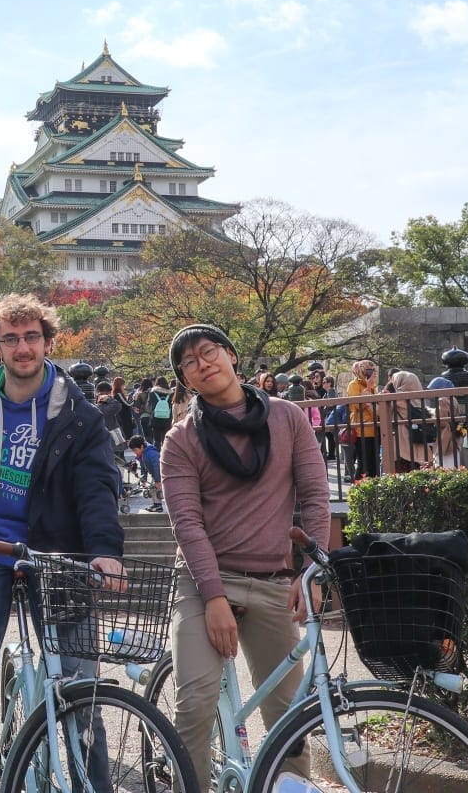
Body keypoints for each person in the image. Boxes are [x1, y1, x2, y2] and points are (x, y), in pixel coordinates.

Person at [0, 293, 124, 793]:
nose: (22, 347)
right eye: (11, 338)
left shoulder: (79, 415)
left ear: (48, 341)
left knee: (81, 691)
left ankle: (93, 786)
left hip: (57, 555)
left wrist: (104, 549)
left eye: (31, 336)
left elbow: (98, 488)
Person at [161, 324, 331, 782]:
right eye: (190, 362)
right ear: (186, 380)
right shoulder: (180, 441)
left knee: (290, 714)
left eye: (209, 351)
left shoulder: (287, 417)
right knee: (195, 701)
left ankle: (291, 787)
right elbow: (187, 525)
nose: (203, 363)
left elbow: (316, 494)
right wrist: (214, 597)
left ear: (232, 355)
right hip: (203, 583)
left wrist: (311, 570)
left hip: (275, 579)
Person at [386, 370, 435, 472]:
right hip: (419, 442)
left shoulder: (398, 398)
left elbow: (380, 411)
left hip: (403, 445)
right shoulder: (418, 398)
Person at [346, 360, 381, 479]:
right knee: (363, 464)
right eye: (368, 370)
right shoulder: (354, 385)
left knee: (374, 463)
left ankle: (374, 491)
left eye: (373, 370)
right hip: (362, 430)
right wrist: (367, 388)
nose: (372, 373)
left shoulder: (373, 387)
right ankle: (357, 491)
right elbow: (356, 405)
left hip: (374, 429)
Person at [148, 376, 177, 444]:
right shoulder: (171, 393)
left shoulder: (152, 393)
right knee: (166, 439)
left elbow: (149, 404)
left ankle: (157, 453)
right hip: (167, 418)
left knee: (156, 440)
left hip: (156, 417)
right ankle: (165, 453)